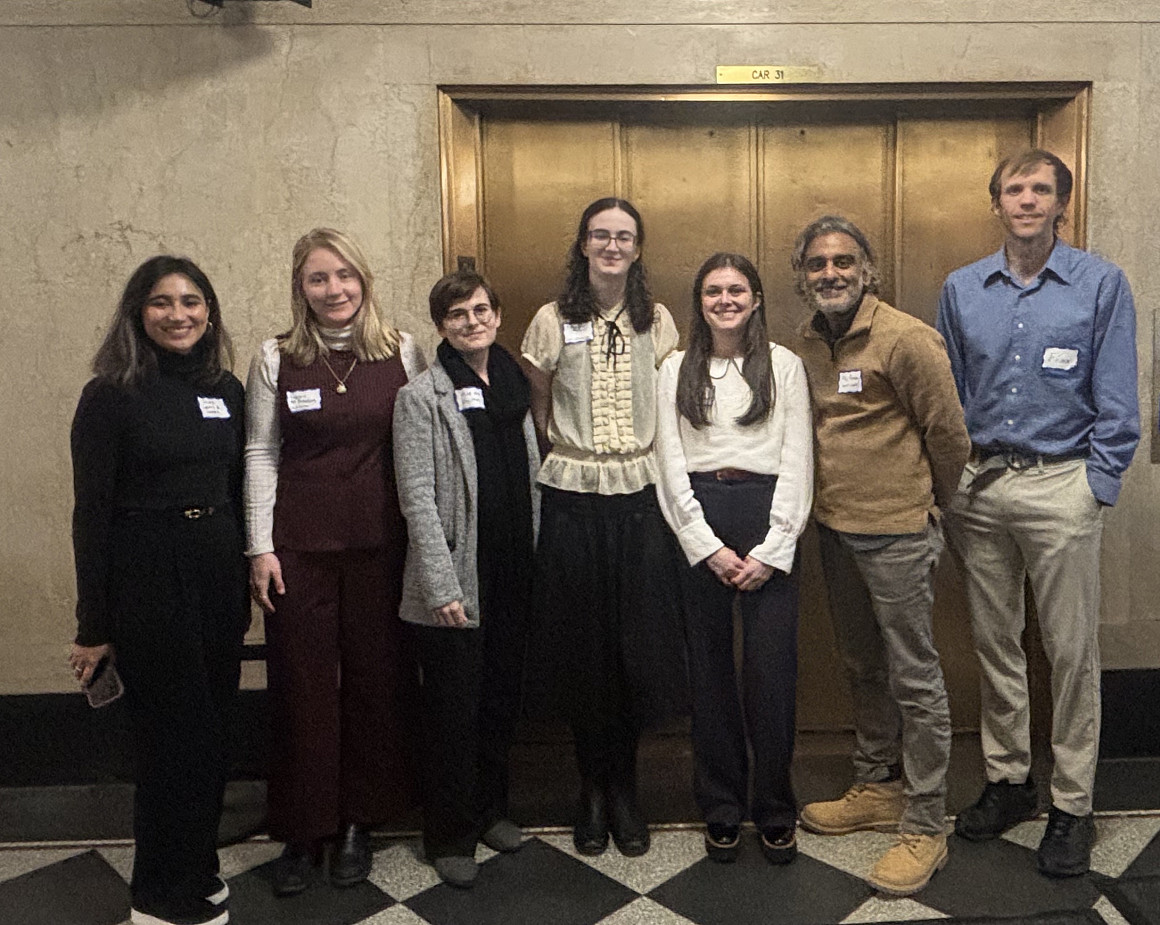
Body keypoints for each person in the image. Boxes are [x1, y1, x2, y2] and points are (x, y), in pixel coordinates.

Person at [937, 150, 1140, 877]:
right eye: (1014, 189)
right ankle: (1009, 780)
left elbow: (1118, 395)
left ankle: (1073, 804)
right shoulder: (962, 288)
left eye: (1040, 189)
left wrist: (1096, 484)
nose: (1026, 200)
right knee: (995, 643)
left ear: (1061, 203)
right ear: (997, 203)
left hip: (1062, 485)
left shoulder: (1100, 284)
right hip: (982, 486)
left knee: (1070, 650)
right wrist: (952, 480)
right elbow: (950, 394)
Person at [244, 228, 425, 895]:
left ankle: (357, 821)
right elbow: (260, 451)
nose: (334, 289)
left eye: (344, 275)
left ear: (364, 279)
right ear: (301, 287)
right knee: (303, 686)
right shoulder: (276, 357)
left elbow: (422, 443)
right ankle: (303, 826)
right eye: (318, 278)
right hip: (298, 548)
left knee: (378, 682)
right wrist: (259, 545)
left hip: (382, 544)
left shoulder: (403, 349)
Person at [793, 216, 970, 896]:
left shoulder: (906, 338)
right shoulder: (808, 342)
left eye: (843, 261)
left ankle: (926, 822)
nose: (830, 273)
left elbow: (949, 436)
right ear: (803, 276)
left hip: (898, 533)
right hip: (835, 530)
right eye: (817, 263)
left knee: (914, 676)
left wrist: (928, 504)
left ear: (867, 270)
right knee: (862, 665)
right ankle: (877, 785)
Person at [69, 256, 248, 925]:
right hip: (147, 577)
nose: (179, 315)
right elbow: (91, 514)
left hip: (216, 573)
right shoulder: (110, 395)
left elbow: (236, 486)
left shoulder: (225, 389)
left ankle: (196, 867)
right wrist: (93, 625)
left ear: (210, 312)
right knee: (170, 739)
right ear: (137, 313)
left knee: (212, 731)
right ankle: (158, 893)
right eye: (162, 302)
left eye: (192, 301)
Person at [521, 197, 688, 858]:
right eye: (600, 235)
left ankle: (626, 787)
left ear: (637, 248)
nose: (611, 246)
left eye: (623, 236)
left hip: (640, 497)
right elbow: (538, 398)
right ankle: (590, 787)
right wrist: (567, 448)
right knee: (582, 649)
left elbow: (670, 400)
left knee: (634, 647)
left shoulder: (658, 319)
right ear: (583, 245)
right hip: (572, 496)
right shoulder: (551, 319)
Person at [654, 253, 812, 864]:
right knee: (710, 674)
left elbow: (798, 458)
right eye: (714, 291)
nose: (726, 300)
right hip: (701, 514)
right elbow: (668, 460)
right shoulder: (675, 368)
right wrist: (704, 545)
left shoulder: (784, 365)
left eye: (737, 290)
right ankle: (720, 806)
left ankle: (774, 807)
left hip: (767, 513)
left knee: (771, 675)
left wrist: (774, 547)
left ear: (756, 299)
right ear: (700, 302)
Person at [393, 270, 540, 888]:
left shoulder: (511, 382)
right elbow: (417, 497)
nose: (472, 322)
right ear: (441, 326)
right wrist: (440, 584)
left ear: (497, 315)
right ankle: (449, 835)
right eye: (457, 314)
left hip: (512, 569)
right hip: (458, 578)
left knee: (499, 700)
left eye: (480, 310)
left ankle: (490, 812)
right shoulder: (421, 396)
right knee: (453, 710)